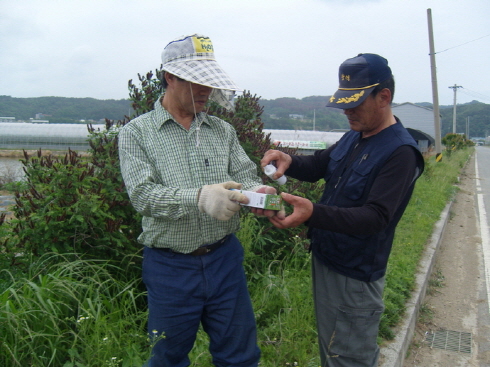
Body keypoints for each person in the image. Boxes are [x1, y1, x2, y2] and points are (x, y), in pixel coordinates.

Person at [257, 54, 425, 367]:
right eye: (344, 103)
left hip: (355, 276)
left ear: (383, 97)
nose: (347, 111)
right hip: (328, 259)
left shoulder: (400, 152)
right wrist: (289, 161)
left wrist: (313, 213)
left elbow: (375, 217)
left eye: (355, 103)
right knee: (333, 353)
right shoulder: (356, 135)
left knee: (349, 358)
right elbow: (319, 164)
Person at [118, 34, 274, 367]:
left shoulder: (222, 130)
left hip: (225, 259)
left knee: (240, 356)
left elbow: (246, 174)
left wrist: (257, 194)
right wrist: (200, 197)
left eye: (208, 81)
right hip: (170, 266)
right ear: (169, 77)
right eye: (195, 81)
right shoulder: (137, 133)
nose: (205, 90)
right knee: (169, 358)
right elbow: (142, 195)